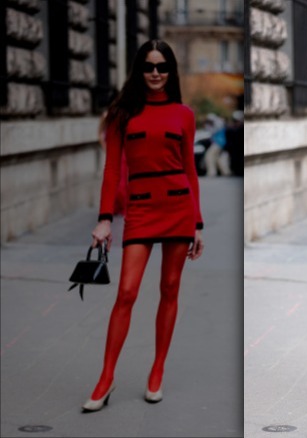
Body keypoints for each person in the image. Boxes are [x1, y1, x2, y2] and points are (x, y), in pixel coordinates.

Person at [84, 39, 204, 412]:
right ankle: (106, 376)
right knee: (127, 293)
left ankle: (157, 370)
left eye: (162, 66)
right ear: (139, 70)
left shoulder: (184, 114)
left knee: (170, 288)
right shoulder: (122, 113)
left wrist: (198, 223)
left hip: (178, 209)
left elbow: (190, 170)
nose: (155, 73)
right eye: (149, 66)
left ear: (171, 71)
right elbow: (111, 169)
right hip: (139, 210)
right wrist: (105, 219)